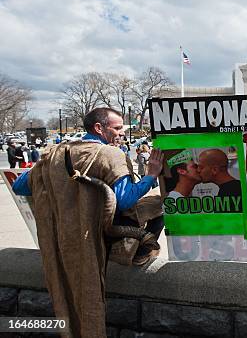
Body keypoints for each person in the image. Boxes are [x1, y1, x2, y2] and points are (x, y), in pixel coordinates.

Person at [11, 107, 164, 337]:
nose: (122, 132)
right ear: (99, 128)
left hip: (62, 237)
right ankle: (140, 251)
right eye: (117, 128)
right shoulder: (109, 154)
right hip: (100, 234)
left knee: (67, 301)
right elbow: (124, 201)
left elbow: (20, 186)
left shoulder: (55, 153)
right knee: (160, 204)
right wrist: (152, 175)